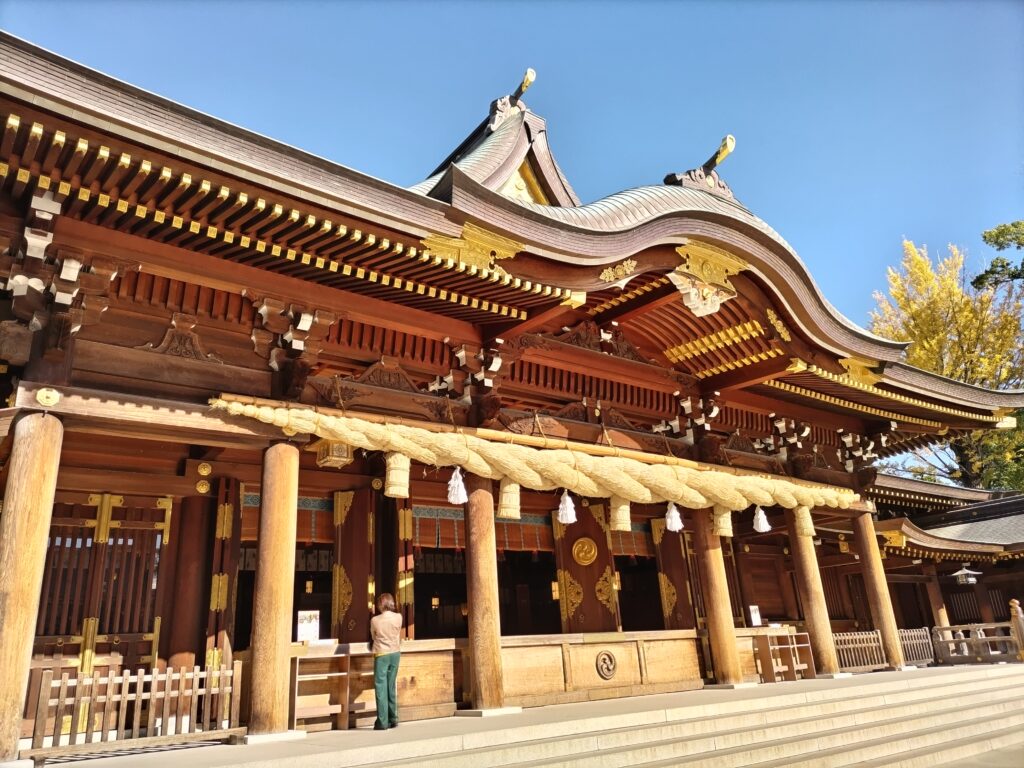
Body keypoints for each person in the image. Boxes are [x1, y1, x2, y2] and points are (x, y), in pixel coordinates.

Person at [370, 592, 402, 730]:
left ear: (380, 604)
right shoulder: (398, 617)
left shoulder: (375, 620)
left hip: (382, 653)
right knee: (391, 685)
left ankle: (382, 721)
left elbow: (373, 636)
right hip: (395, 652)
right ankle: (393, 718)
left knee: (380, 686)